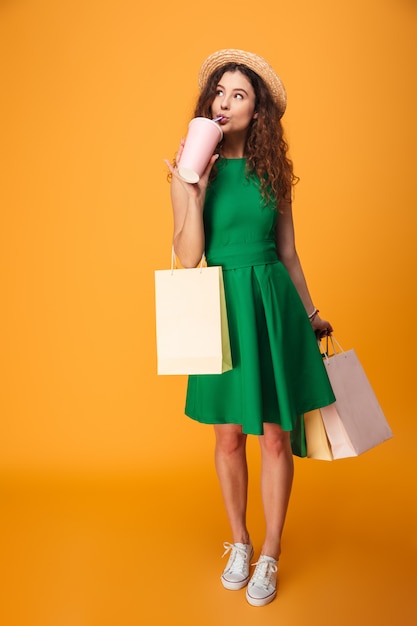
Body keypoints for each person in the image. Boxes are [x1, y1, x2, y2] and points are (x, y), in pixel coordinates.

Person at [165, 49, 335, 607]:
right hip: (222, 305)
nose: (225, 101)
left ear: (257, 112)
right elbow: (189, 257)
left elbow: (288, 253)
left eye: (239, 94)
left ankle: (269, 551)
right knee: (229, 435)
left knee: (277, 436)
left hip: (270, 304)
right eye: (220, 92)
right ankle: (238, 541)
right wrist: (191, 189)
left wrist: (311, 315)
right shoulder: (189, 169)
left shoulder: (273, 173)